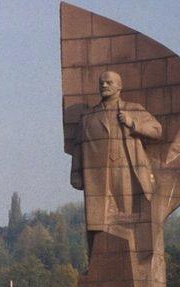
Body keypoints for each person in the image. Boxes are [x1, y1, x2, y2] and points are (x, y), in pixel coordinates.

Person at [69, 70, 163, 235]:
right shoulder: (88, 117)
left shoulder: (133, 109)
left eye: (109, 82)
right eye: (101, 83)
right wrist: (76, 173)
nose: (104, 85)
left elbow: (157, 131)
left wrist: (132, 123)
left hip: (126, 167)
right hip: (98, 173)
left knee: (127, 214)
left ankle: (129, 235)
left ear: (119, 86)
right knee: (102, 220)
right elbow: (78, 146)